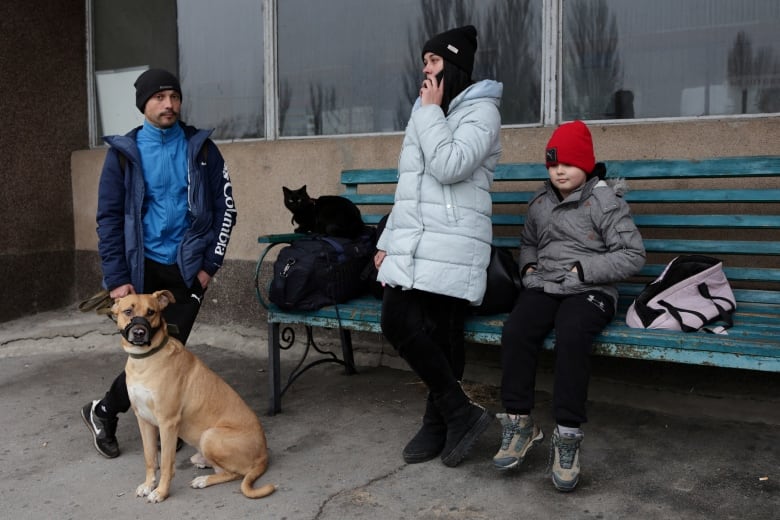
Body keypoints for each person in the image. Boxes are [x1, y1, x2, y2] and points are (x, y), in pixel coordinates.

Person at [80, 68, 237, 458]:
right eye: (159, 98)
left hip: (186, 269)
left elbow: (226, 209)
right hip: (141, 269)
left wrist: (208, 266)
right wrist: (118, 279)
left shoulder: (201, 149)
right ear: (144, 104)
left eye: (174, 97)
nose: (169, 105)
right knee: (145, 349)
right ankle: (106, 411)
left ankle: (123, 411)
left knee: (170, 348)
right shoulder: (123, 155)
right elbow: (109, 218)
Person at [374, 25, 502, 468]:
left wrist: (429, 113)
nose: (424, 71)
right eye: (424, 62)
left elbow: (450, 166)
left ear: (453, 66)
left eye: (432, 62)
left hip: (454, 242)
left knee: (442, 332)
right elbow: (407, 185)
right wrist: (388, 239)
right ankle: (458, 412)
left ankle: (439, 421)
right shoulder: (424, 110)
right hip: (413, 240)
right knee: (396, 319)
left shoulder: (482, 113)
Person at [493, 120, 645, 491]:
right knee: (516, 330)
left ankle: (567, 433)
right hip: (546, 285)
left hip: (591, 290)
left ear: (588, 165)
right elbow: (528, 242)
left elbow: (633, 254)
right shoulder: (540, 203)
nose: (560, 171)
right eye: (553, 164)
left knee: (572, 334)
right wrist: (528, 267)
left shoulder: (605, 202)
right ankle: (519, 422)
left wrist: (584, 269)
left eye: (570, 163)